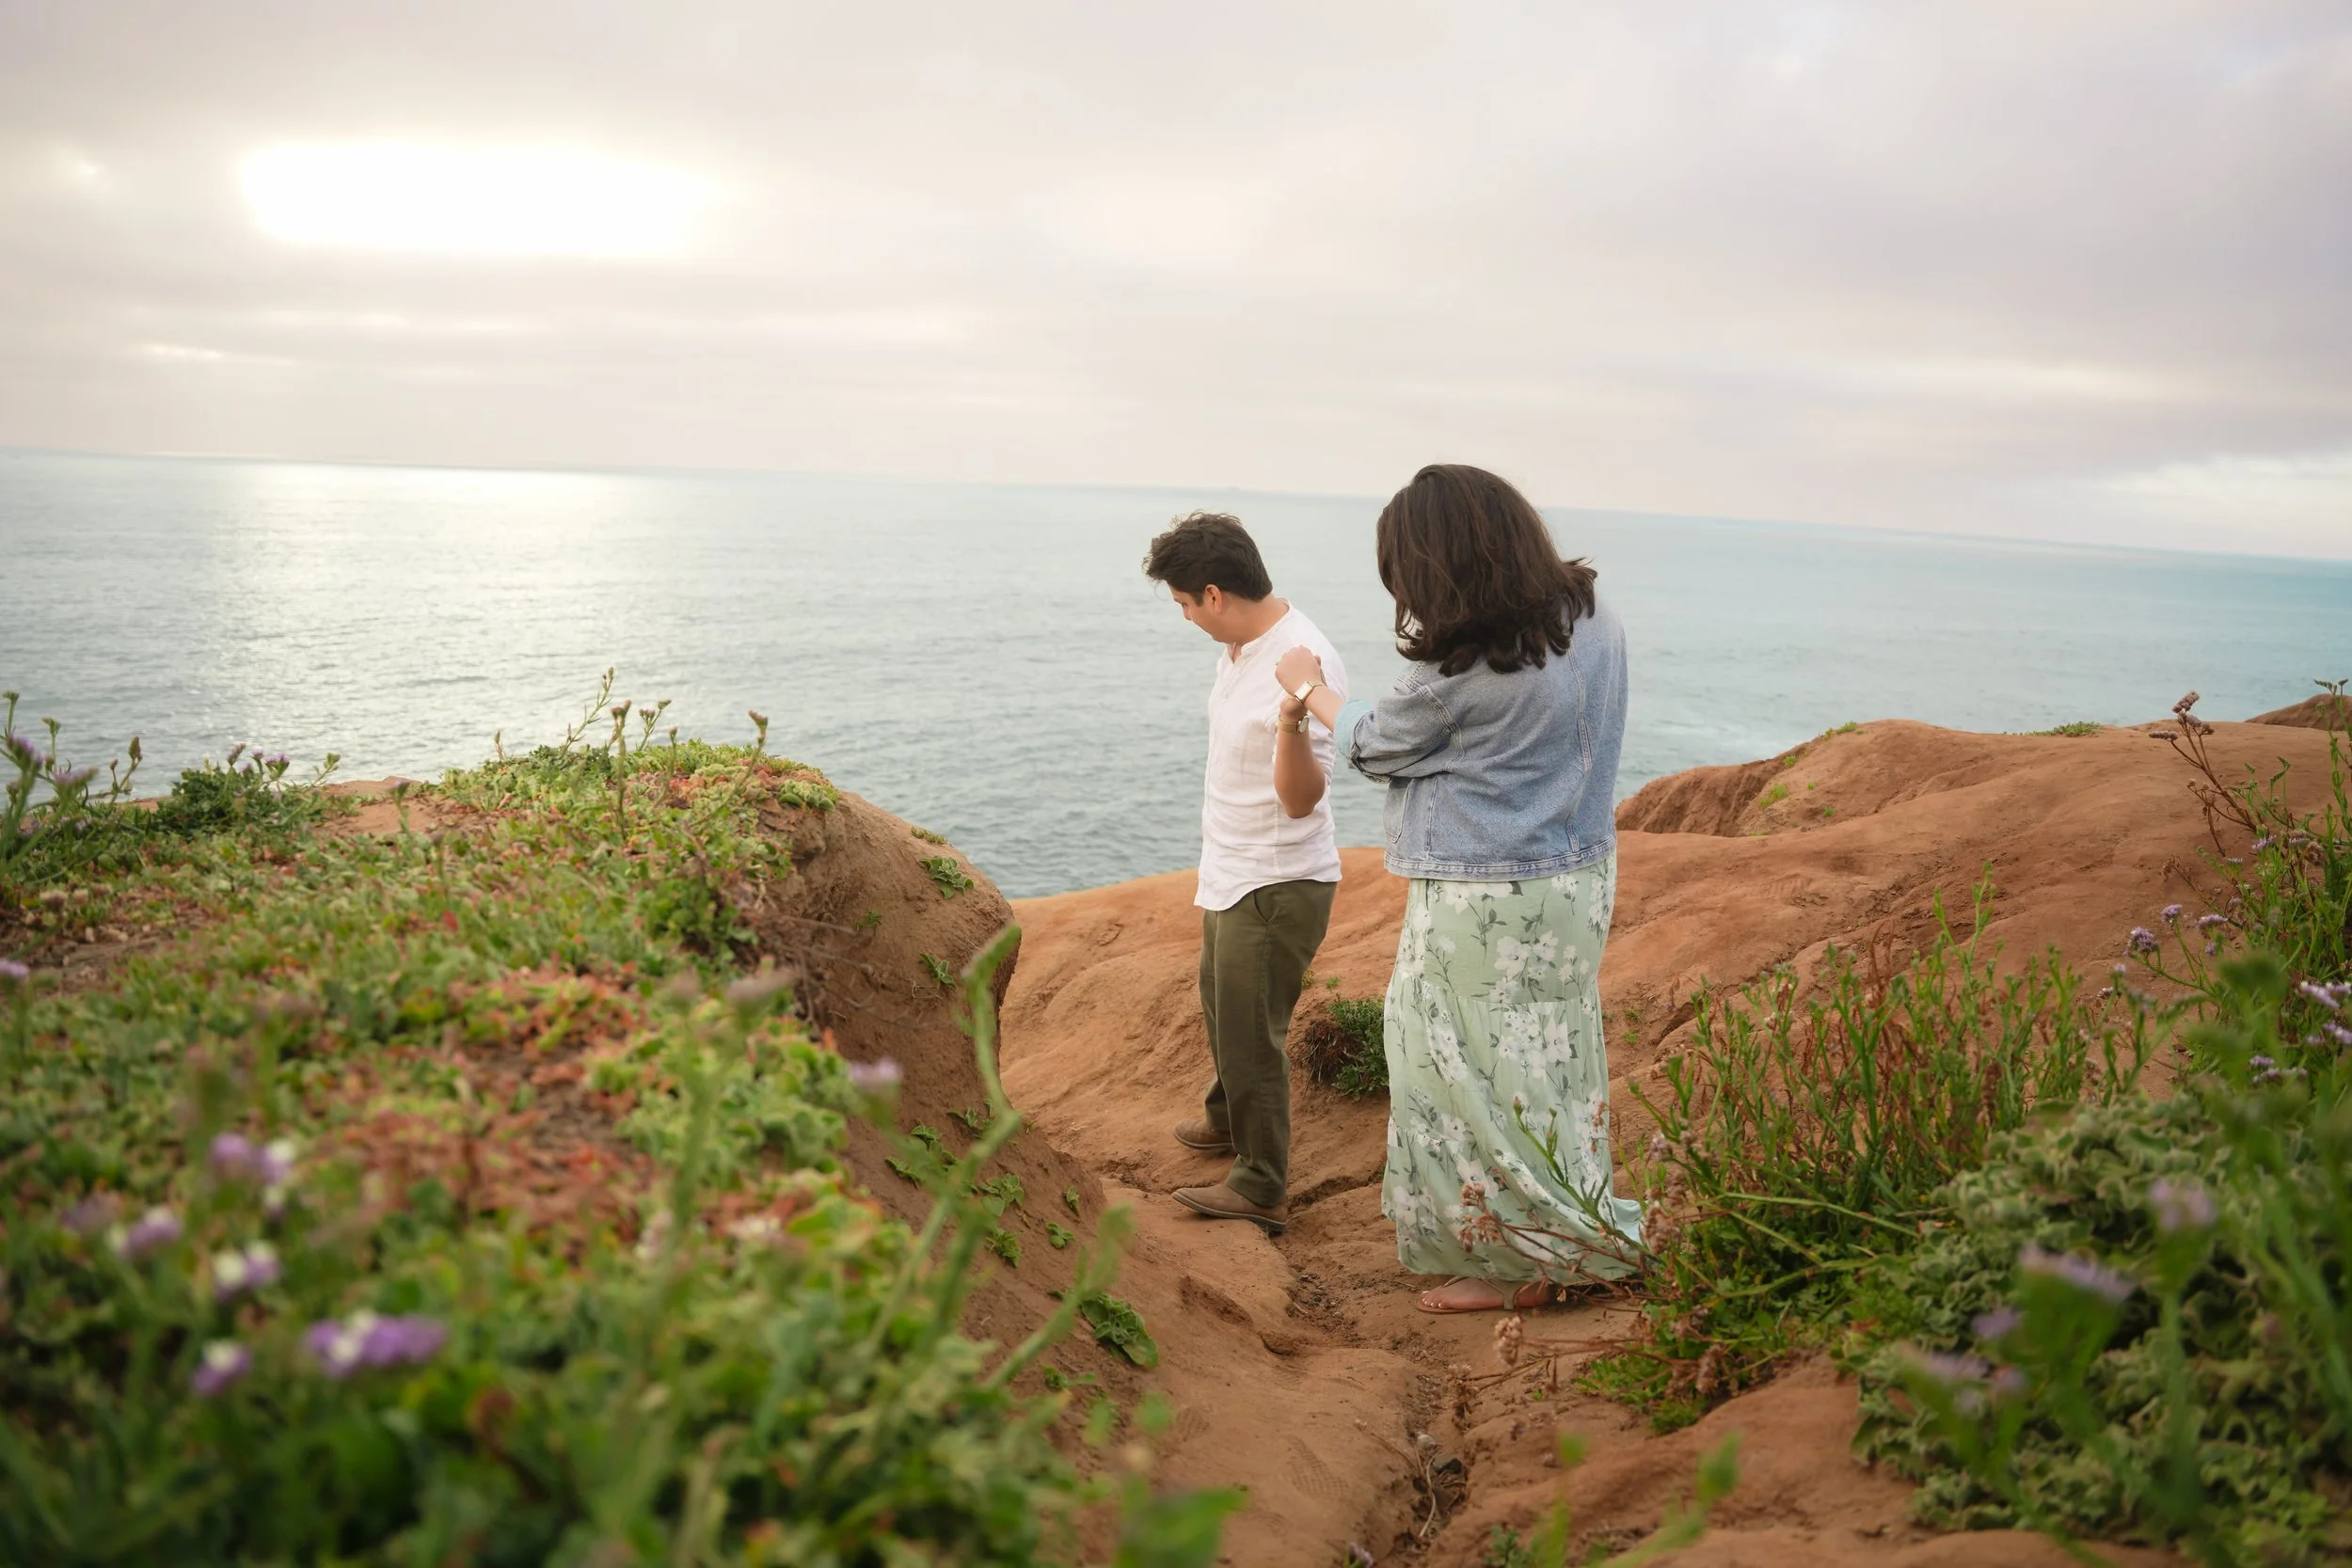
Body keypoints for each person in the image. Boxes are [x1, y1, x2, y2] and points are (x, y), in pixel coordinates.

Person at [1273, 465, 1640, 1312]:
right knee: (1551, 1060)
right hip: (1577, 880)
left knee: (1455, 1071)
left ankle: (1507, 1260)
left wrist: (1307, 684)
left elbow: (1369, 745)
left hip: (1487, 903)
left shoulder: (1468, 673)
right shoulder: (1589, 614)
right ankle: (1565, 1227)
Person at [1142, 511, 1349, 1236]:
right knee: (1218, 1002)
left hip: (1276, 877)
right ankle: (1228, 1118)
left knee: (1250, 1031)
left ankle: (1261, 1183)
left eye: (1184, 606)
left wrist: (1294, 717)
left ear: (1213, 594)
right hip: (1233, 867)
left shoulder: (1302, 660)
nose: (1187, 619)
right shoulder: (1240, 649)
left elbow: (1301, 800)